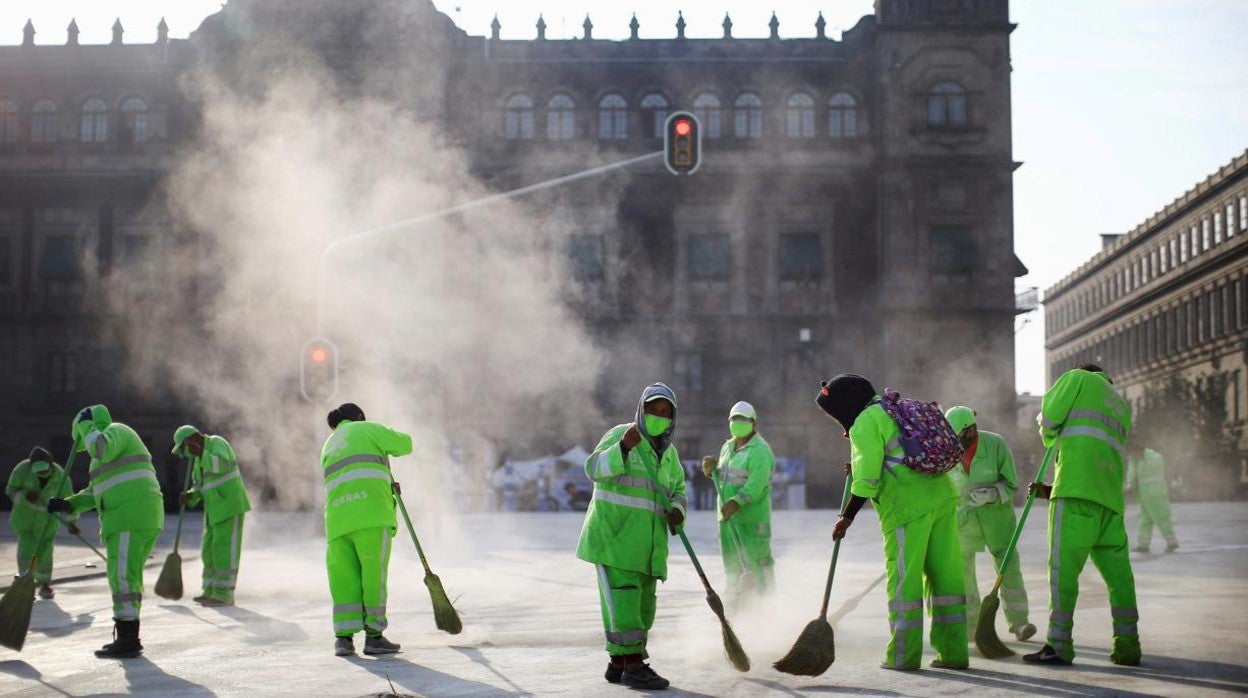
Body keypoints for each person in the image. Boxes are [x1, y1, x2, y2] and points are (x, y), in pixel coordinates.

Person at [819, 374, 968, 671]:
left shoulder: (864, 422)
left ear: (845, 405)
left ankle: (903, 655)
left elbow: (866, 481)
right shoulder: (895, 408)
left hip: (907, 509)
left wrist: (846, 517)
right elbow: (895, 453)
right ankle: (954, 652)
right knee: (947, 578)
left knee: (904, 583)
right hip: (942, 497)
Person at [1025, 364, 1140, 666]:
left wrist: (1049, 434)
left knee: (1063, 574)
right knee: (1120, 579)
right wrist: (1050, 489)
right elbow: (1094, 454)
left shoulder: (1077, 378)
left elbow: (1049, 418)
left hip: (1075, 498)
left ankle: (1059, 645)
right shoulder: (1120, 405)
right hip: (1110, 503)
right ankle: (1128, 645)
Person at [576, 383, 687, 690]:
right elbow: (593, 468)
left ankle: (620, 662)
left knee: (643, 608)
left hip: (649, 547)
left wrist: (678, 509)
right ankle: (635, 665)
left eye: (666, 412)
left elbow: (678, 489)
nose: (658, 416)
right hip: (615, 541)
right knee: (624, 605)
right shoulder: (620, 435)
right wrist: (622, 448)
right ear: (642, 409)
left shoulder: (670, 454)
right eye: (653, 409)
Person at [48, 405, 164, 658]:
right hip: (137, 516)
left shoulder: (116, 432)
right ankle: (129, 635)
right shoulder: (106, 453)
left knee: (121, 577)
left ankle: (128, 640)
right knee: (129, 578)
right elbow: (94, 493)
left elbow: (99, 446)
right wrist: (68, 504)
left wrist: (85, 425)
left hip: (128, 516)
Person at [321, 402, 411, 657]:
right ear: (359, 417)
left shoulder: (328, 444)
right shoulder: (367, 429)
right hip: (370, 516)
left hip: (338, 521)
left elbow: (355, 474)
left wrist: (383, 480)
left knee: (344, 580)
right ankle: (374, 637)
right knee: (373, 576)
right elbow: (406, 444)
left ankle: (343, 639)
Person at [944, 406, 1035, 641]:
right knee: (963, 577)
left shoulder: (996, 445)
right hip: (963, 523)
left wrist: (993, 494)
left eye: (959, 437)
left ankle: (1019, 623)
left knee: (1009, 570)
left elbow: (1012, 483)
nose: (955, 443)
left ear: (971, 429)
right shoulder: (947, 451)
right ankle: (971, 627)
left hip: (997, 521)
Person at [701, 400, 776, 599]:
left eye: (743, 419)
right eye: (734, 419)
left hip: (751, 520)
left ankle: (765, 605)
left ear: (754, 423)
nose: (738, 422)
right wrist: (712, 470)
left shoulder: (760, 450)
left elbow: (756, 484)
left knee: (757, 564)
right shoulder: (727, 446)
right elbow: (725, 477)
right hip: (727, 518)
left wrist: (736, 502)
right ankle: (734, 606)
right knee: (733, 566)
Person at [172, 425, 252, 606]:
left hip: (230, 506)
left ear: (190, 441)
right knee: (209, 552)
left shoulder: (217, 443)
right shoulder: (197, 461)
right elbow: (199, 486)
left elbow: (223, 465)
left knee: (224, 550)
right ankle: (210, 590)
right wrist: (190, 495)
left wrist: (202, 454)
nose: (185, 454)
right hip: (213, 511)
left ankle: (224, 594)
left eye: (184, 449)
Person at [6, 446, 79, 599]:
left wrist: (71, 523)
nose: (41, 473)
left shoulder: (60, 475)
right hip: (25, 521)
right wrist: (25, 495)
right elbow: (11, 490)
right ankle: (27, 583)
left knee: (45, 555)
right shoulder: (21, 470)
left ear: (51, 465)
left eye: (44, 470)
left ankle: (45, 584)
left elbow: (67, 502)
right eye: (37, 470)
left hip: (47, 523)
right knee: (27, 551)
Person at [1125, 443, 1178, 553]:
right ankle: (1144, 545)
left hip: (1152, 495)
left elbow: (1133, 478)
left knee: (1161, 518)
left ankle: (1172, 542)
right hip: (1149, 495)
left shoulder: (1142, 460)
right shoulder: (1154, 457)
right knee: (1145, 520)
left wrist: (1129, 488)